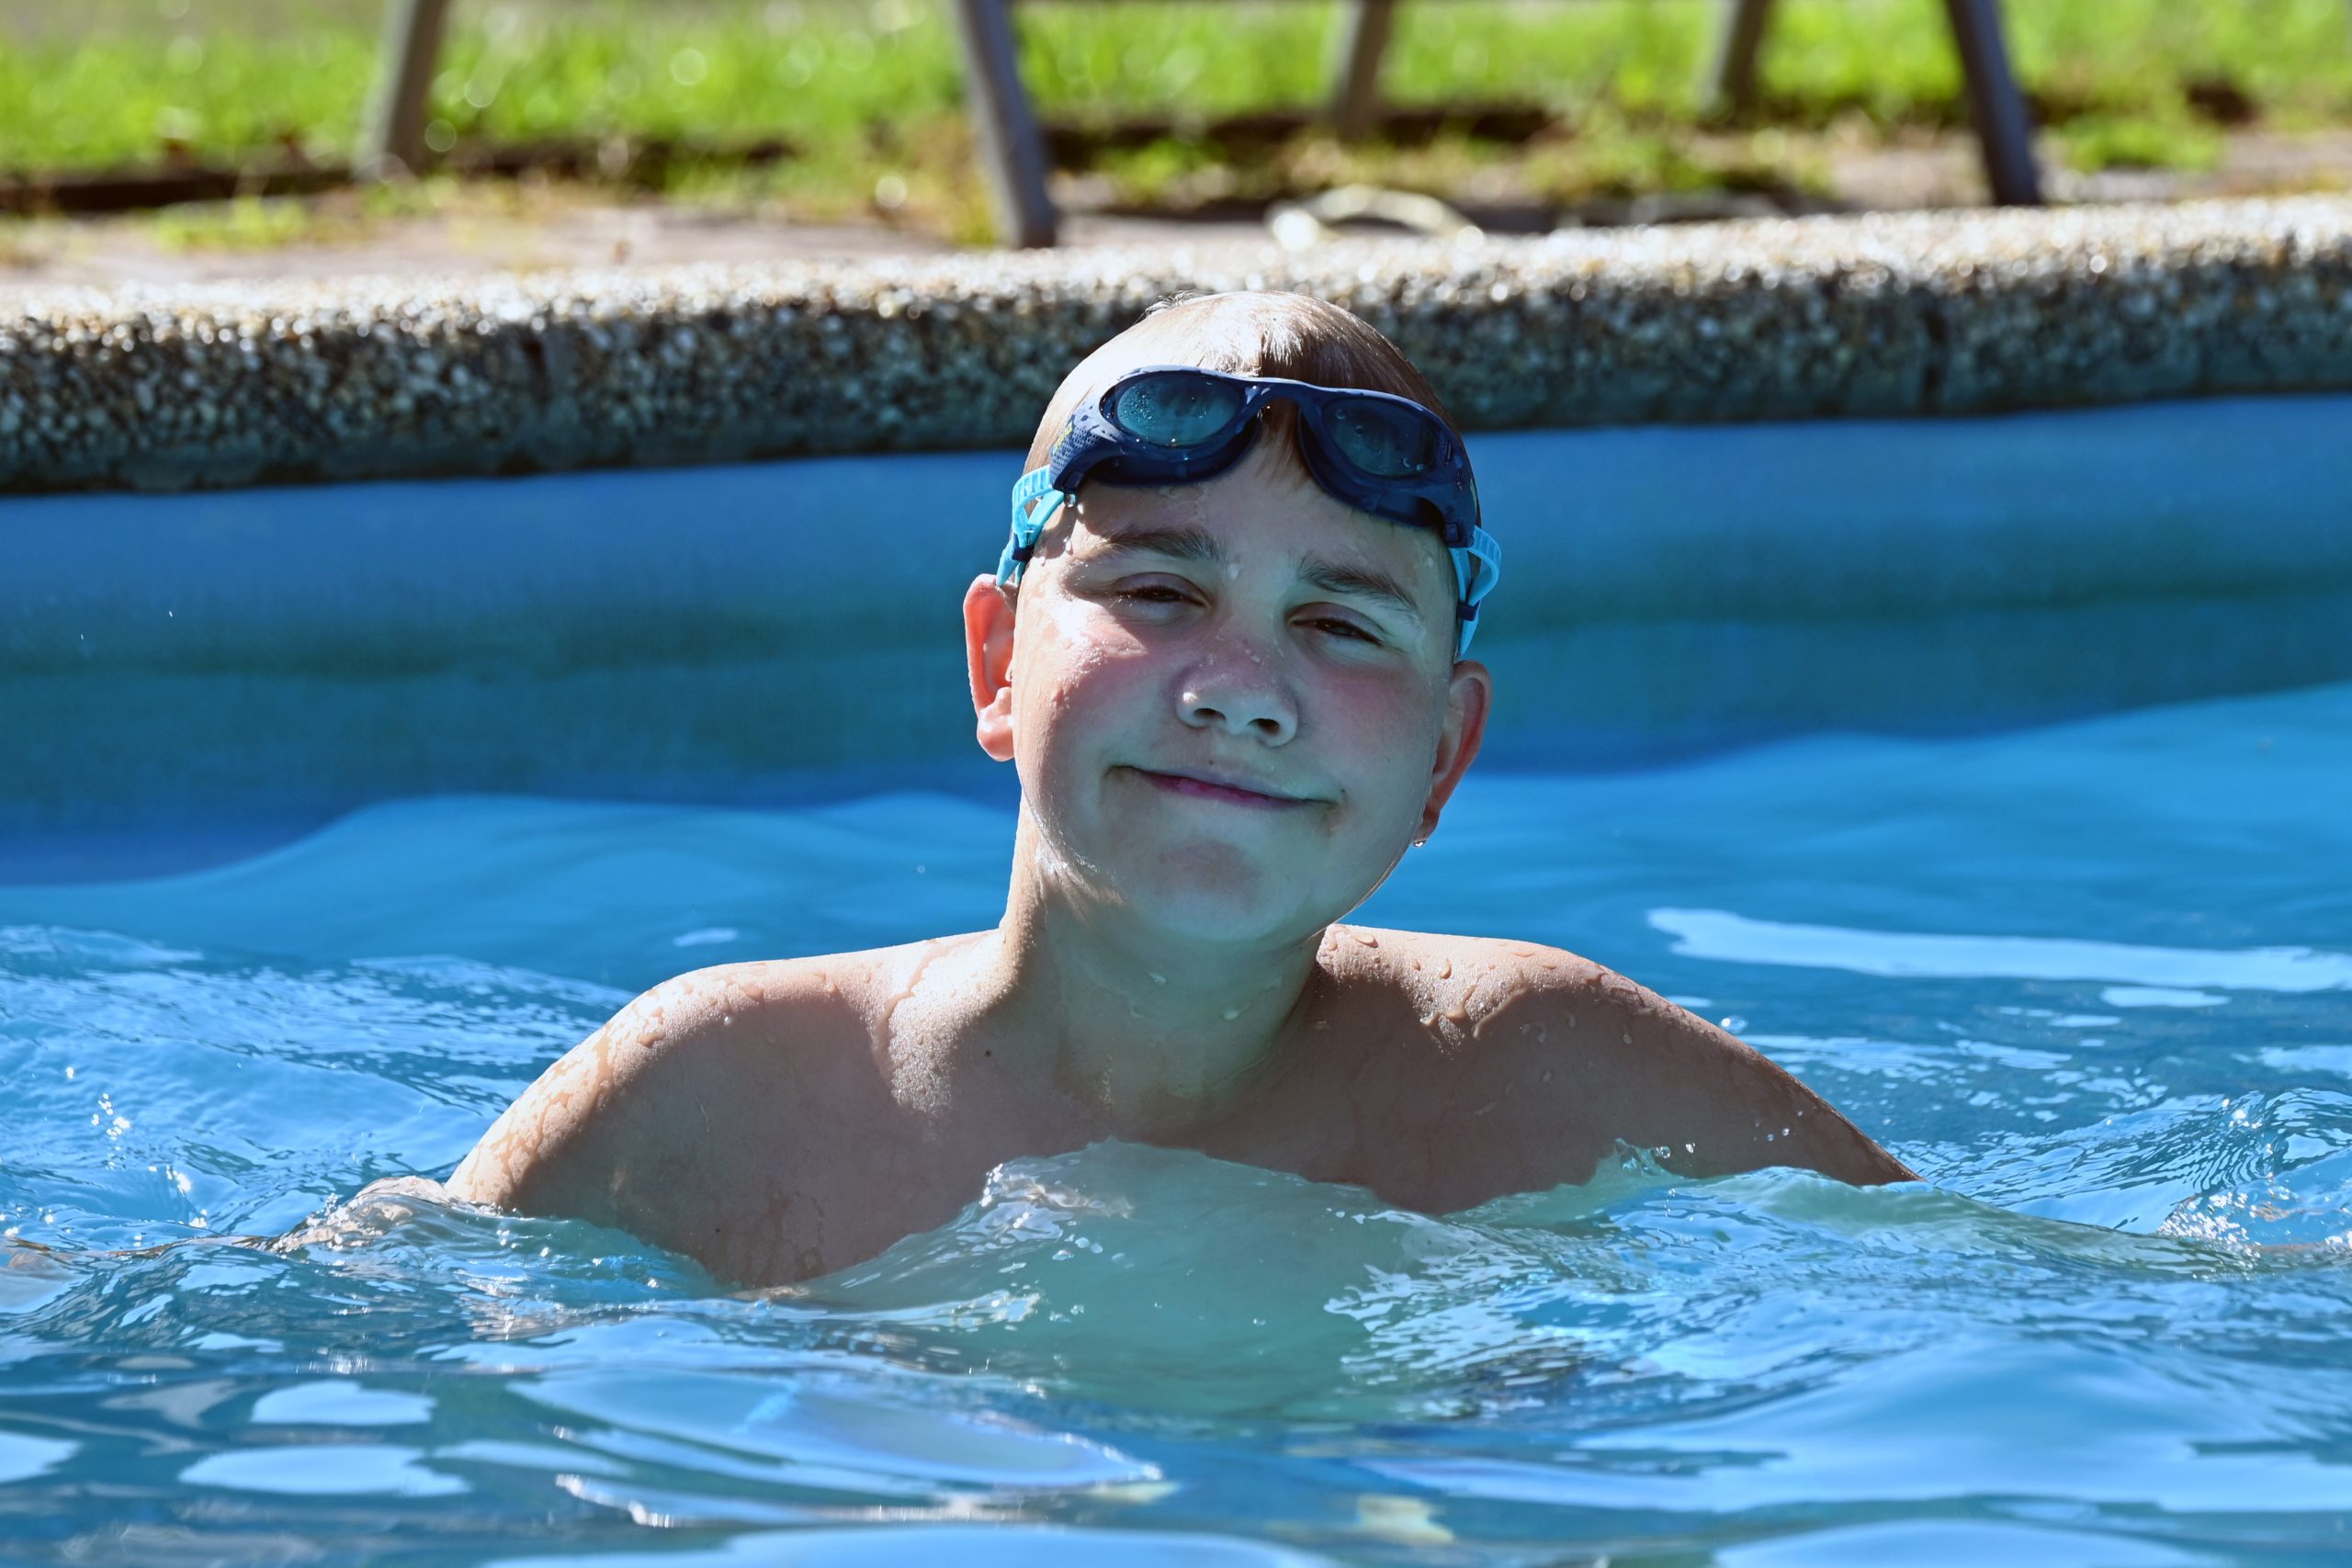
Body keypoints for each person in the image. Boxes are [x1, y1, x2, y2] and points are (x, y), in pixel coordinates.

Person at [447, 291, 1913, 1286]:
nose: (1240, 687)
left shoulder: (1559, 1072)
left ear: (1443, 758)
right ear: (998, 664)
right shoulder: (712, 1094)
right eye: (1159, 592)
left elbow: (1972, 1295)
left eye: (1340, 624)